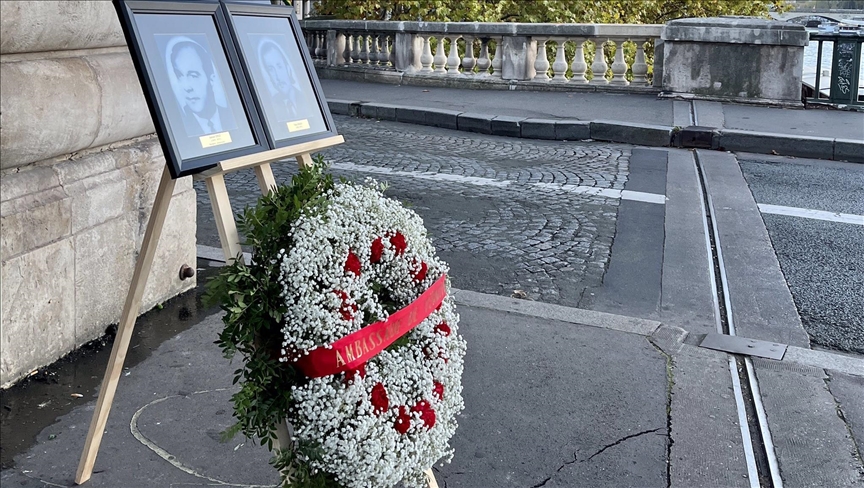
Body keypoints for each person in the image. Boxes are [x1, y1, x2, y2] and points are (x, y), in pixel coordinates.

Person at [169, 40, 236, 137]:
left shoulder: (233, 117)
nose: (186, 87)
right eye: (179, 76)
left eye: (193, 75)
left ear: (211, 79)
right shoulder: (179, 130)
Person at [259, 39, 305, 122]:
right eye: (271, 69)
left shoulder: (306, 99)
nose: (277, 77)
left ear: (288, 68)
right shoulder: (270, 106)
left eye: (279, 66)